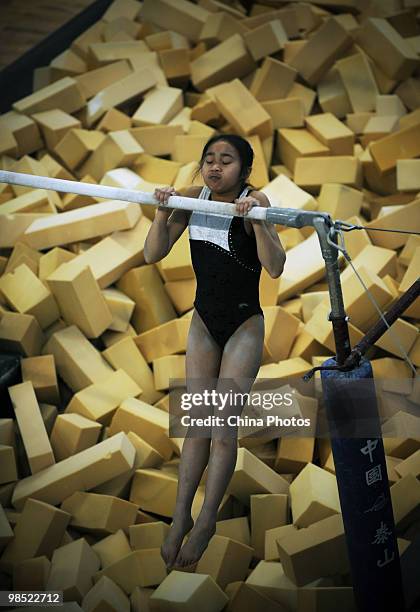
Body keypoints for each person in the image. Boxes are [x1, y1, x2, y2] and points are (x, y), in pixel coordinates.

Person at [143, 134, 286, 571]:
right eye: (209, 160)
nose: (215, 167)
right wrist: (162, 210)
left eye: (226, 161)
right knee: (197, 425)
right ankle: (180, 515)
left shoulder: (253, 200)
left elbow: (276, 267)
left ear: (243, 172)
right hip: (203, 324)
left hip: (243, 325)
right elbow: (152, 253)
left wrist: (259, 220)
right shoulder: (194, 199)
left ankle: (207, 521)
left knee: (223, 428)